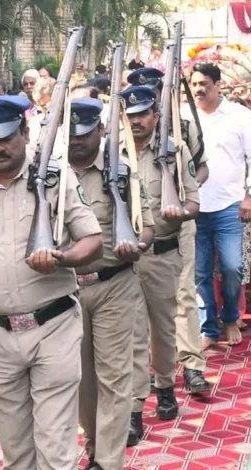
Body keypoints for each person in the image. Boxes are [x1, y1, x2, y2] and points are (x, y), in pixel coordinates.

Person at [0, 95, 103, 469]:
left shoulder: (55, 179)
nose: (0, 147)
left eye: (7, 137)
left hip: (53, 327)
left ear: (25, 133)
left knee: (55, 450)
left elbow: (93, 240)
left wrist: (62, 258)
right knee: (16, 453)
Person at [68, 97, 155, 470]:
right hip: (68, 288)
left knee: (114, 377)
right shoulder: (53, 175)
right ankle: (93, 445)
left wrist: (137, 244)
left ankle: (108, 462)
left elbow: (147, 226)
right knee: (81, 380)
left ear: (101, 132)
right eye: (71, 135)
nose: (77, 141)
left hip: (115, 283)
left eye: (85, 134)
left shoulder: (121, 172)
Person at [123, 86, 201, 444]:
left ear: (156, 114)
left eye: (142, 113)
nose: (136, 121)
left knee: (163, 328)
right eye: (130, 114)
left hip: (164, 254)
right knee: (135, 334)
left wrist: (179, 211)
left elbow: (193, 203)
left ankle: (166, 384)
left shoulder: (174, 151)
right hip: (127, 260)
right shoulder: (114, 152)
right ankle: (136, 407)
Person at [128, 67, 211, 393]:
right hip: (136, 231)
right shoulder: (119, 140)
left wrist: (180, 194)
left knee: (183, 294)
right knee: (140, 303)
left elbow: (201, 167)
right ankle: (154, 365)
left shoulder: (183, 128)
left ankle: (191, 363)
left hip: (176, 227)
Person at [190, 62, 251, 349]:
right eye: (194, 84)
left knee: (233, 267)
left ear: (217, 84)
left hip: (230, 205)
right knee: (200, 272)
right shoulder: (184, 115)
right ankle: (208, 328)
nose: (198, 89)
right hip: (194, 207)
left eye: (204, 84)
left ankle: (231, 317)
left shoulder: (239, 115)